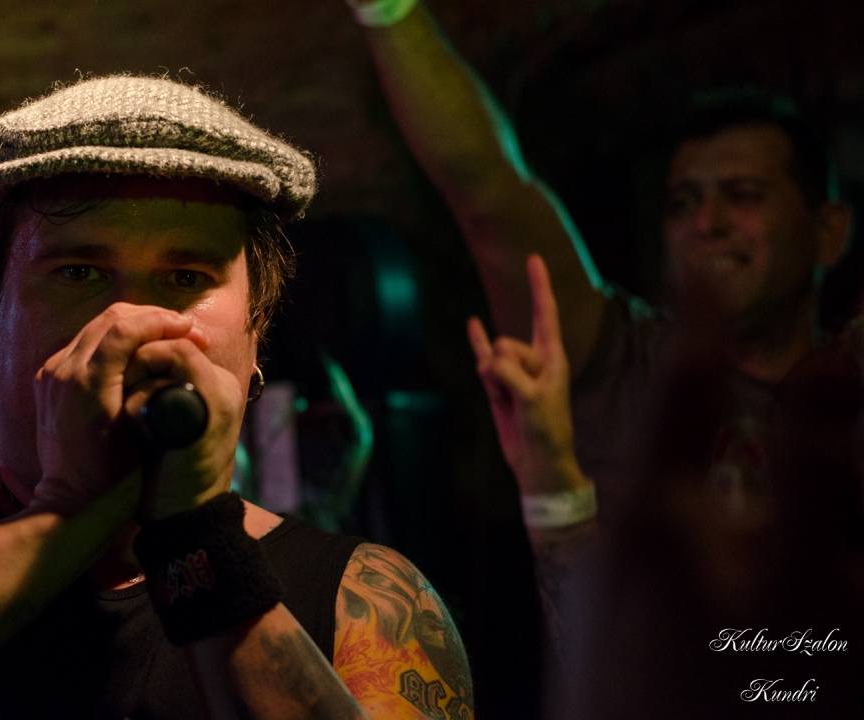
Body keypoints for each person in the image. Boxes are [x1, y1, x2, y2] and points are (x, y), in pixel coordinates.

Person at [0, 75, 474, 720]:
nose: (129, 321)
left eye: (185, 276)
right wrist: (71, 507)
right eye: (79, 271)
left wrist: (195, 536)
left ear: (256, 331)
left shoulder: (363, 596)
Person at [341, 0, 853, 614]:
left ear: (829, 232)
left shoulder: (847, 390)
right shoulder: (620, 364)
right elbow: (490, 192)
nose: (706, 223)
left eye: (743, 195)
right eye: (683, 203)